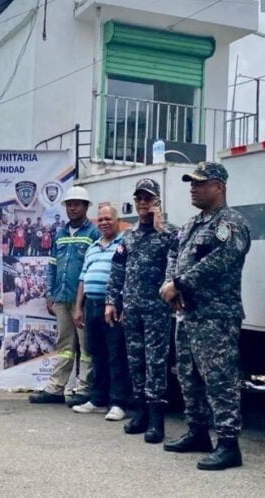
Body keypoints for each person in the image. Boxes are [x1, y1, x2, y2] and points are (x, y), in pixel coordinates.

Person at [160, 162, 251, 471]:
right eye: (191, 183)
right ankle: (197, 431)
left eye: (200, 183)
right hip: (186, 314)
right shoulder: (191, 224)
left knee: (220, 379)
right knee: (187, 376)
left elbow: (221, 261)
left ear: (219, 186)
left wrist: (180, 284)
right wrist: (169, 283)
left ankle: (228, 445)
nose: (193, 187)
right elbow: (175, 255)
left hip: (216, 316)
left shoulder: (231, 223)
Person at [107, 178, 178, 442]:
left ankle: (157, 420)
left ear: (157, 201)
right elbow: (117, 269)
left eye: (148, 198)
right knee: (135, 361)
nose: (143, 203)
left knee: (156, 362)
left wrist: (161, 227)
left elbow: (182, 253)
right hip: (132, 310)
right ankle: (141, 413)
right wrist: (112, 300)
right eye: (139, 199)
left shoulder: (170, 232)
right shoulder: (130, 235)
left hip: (157, 310)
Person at [29, 186, 98, 406]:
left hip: (83, 301)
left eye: (77, 204)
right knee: (65, 346)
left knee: (86, 347)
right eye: (69, 204)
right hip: (61, 298)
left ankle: (85, 389)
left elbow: (93, 267)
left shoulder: (93, 233)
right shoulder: (59, 233)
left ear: (86, 207)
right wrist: (50, 294)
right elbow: (51, 266)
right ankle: (56, 389)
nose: (72, 208)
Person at [71, 205, 130, 422]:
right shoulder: (93, 247)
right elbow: (82, 279)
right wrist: (78, 307)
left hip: (113, 305)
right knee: (97, 354)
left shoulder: (124, 243)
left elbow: (128, 276)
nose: (104, 222)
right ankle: (98, 400)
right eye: (101, 219)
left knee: (116, 355)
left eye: (108, 218)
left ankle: (118, 403)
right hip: (92, 306)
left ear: (117, 220)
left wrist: (121, 304)